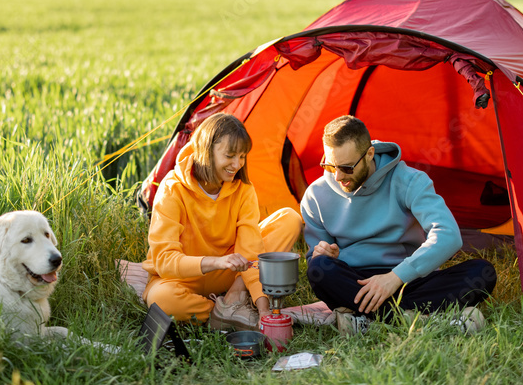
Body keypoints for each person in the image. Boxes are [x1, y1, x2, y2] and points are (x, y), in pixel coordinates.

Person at [301, 115, 495, 334]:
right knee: (320, 270)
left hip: (409, 278)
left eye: (346, 168)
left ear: (369, 155)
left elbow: (448, 235)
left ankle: (370, 320)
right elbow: (315, 260)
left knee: (482, 271)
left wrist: (394, 278)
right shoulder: (315, 195)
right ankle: (419, 320)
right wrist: (324, 254)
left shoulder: (410, 181)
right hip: (357, 283)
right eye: (329, 165)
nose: (337, 176)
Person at [143, 113, 303, 330]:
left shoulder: (243, 189)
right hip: (184, 278)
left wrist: (263, 309)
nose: (237, 164)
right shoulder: (173, 189)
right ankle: (222, 311)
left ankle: (236, 297)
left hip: (230, 273)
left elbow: (251, 254)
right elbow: (164, 260)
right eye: (229, 156)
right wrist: (216, 262)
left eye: (242, 156)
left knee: (289, 219)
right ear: (207, 151)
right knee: (161, 300)